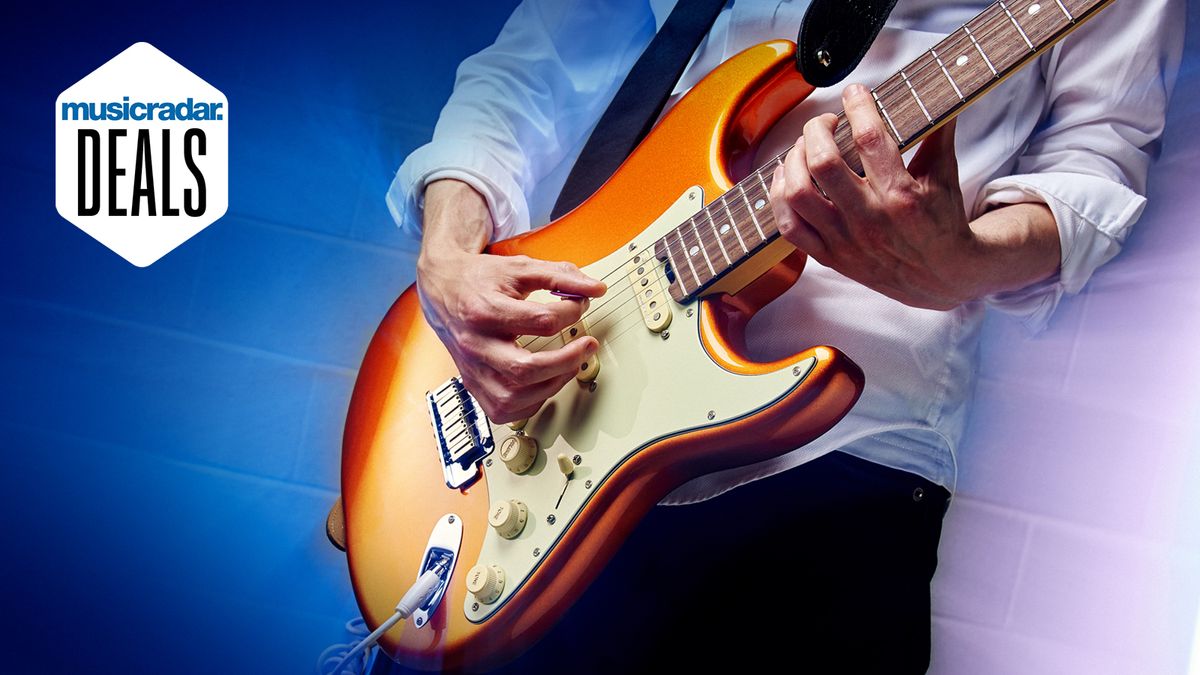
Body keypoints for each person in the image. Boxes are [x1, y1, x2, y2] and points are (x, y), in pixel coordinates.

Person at [384, 0, 1183, 671]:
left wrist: (967, 262)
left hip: (845, 451)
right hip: (574, 384)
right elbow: (544, 55)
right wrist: (450, 254)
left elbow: (1096, 156)